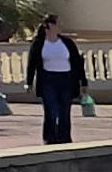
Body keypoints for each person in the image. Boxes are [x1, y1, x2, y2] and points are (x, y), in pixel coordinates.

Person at [23, 15, 85, 144]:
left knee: (64, 111)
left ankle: (64, 138)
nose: (60, 26)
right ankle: (50, 138)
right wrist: (29, 82)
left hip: (66, 79)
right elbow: (32, 63)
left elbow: (77, 63)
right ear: (50, 26)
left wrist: (83, 82)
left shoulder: (67, 42)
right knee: (51, 110)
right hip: (48, 80)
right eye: (58, 24)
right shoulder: (39, 43)